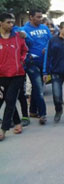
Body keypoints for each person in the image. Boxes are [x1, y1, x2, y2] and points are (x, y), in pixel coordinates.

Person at [0, 12, 28, 141]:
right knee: (6, 99)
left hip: (17, 75)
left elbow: (25, 50)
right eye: (8, 22)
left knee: (10, 100)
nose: (11, 25)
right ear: (1, 23)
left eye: (12, 22)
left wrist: (21, 61)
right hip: (1, 75)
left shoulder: (18, 37)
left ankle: (3, 129)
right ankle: (17, 123)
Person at [22, 10, 52, 125]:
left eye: (41, 17)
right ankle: (42, 113)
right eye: (38, 17)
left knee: (37, 86)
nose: (40, 19)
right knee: (39, 88)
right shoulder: (24, 30)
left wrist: (47, 48)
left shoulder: (45, 28)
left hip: (44, 62)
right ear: (31, 17)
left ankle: (33, 110)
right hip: (31, 63)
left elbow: (50, 41)